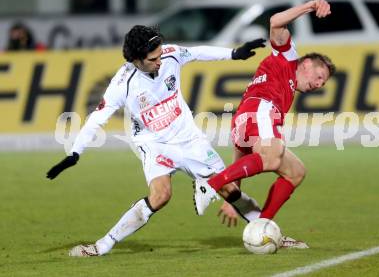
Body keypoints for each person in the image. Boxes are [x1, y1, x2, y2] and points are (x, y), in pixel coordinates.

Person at [46, 25, 267, 257]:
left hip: (189, 138)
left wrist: (234, 53)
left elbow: (197, 52)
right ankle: (101, 246)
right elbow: (96, 120)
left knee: (230, 190)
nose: (160, 61)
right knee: (160, 196)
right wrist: (75, 153)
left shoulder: (169, 54)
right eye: (153, 59)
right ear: (135, 59)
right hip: (154, 143)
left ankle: (269, 232)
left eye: (160, 55)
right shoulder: (123, 84)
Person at [194, 0, 336, 248]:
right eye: (319, 76)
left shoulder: (286, 89)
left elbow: (242, 153)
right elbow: (275, 21)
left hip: (246, 118)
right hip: (260, 109)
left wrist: (232, 197)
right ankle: (211, 184)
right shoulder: (287, 57)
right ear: (306, 63)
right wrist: (311, 6)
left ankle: (264, 227)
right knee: (272, 155)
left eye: (323, 83)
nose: (319, 84)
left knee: (295, 172)